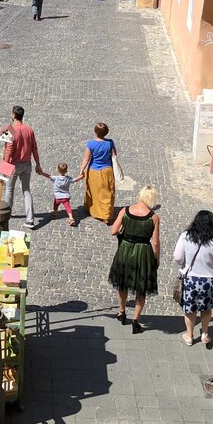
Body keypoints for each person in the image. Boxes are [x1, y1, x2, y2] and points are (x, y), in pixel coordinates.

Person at [173, 210, 213, 347]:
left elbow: (178, 257)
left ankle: (189, 336)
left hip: (191, 280)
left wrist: (184, 264)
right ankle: (204, 334)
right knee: (206, 309)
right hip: (209, 281)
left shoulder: (185, 236)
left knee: (190, 309)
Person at [109, 186, 160, 331]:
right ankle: (136, 321)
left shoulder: (124, 211)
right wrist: (157, 258)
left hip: (125, 249)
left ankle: (121, 311)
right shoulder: (154, 218)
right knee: (141, 288)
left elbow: (113, 231)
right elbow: (155, 242)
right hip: (143, 252)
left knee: (122, 283)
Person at [0, 105, 44, 230]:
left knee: (10, 190)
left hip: (14, 164)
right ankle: (30, 220)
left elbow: (9, 151)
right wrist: (38, 164)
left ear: (13, 115)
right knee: (26, 191)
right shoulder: (29, 129)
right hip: (27, 164)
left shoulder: (12, 131)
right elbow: (34, 148)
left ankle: (7, 213)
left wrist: (4, 169)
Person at [78, 122, 119, 223]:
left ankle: (91, 208)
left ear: (95, 132)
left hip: (93, 171)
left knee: (92, 191)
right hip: (107, 171)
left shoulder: (91, 144)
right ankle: (106, 215)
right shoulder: (110, 142)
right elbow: (114, 155)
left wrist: (81, 170)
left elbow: (86, 158)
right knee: (107, 193)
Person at [41, 162, 82, 226]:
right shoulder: (68, 178)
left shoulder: (56, 178)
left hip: (57, 197)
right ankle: (71, 218)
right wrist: (81, 176)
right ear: (66, 170)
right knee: (68, 207)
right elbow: (75, 180)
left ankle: (55, 212)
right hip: (65, 197)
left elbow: (48, 176)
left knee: (55, 205)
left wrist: (41, 173)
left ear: (57, 170)